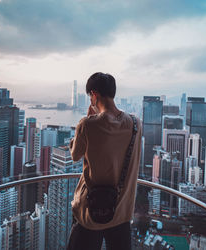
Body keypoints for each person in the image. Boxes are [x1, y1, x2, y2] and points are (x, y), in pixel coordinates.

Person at [67, 72, 142, 250]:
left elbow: (75, 155)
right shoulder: (136, 124)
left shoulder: (87, 124)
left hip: (90, 211)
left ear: (94, 94)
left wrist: (85, 123)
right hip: (122, 212)